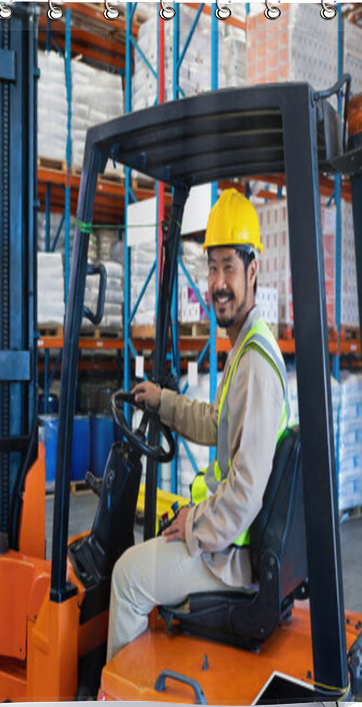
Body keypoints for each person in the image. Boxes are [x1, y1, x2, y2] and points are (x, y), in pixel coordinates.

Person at [105, 188, 290, 662]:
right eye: (211, 268)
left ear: (252, 271)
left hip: (232, 555)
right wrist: (164, 402)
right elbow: (216, 423)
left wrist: (196, 526)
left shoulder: (255, 365)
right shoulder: (246, 348)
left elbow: (245, 492)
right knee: (151, 547)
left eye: (229, 267)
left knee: (126, 577)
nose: (218, 282)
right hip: (230, 540)